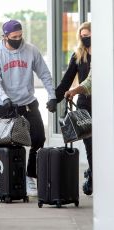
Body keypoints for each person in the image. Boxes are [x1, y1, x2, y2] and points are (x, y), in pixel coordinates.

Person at [0, 19, 57, 196]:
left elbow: (45, 74)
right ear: (5, 36)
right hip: (6, 106)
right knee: (10, 144)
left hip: (28, 103)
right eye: (14, 37)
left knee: (39, 138)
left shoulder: (31, 50)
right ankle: (10, 180)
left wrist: (52, 96)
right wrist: (4, 98)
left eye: (20, 36)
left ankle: (29, 176)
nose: (18, 39)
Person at [55, 22, 92, 195]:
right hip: (85, 104)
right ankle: (94, 176)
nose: (86, 38)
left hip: (104, 104)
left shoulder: (103, 53)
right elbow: (67, 80)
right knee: (90, 143)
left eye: (88, 35)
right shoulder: (78, 56)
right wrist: (55, 98)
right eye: (83, 35)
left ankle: (95, 173)